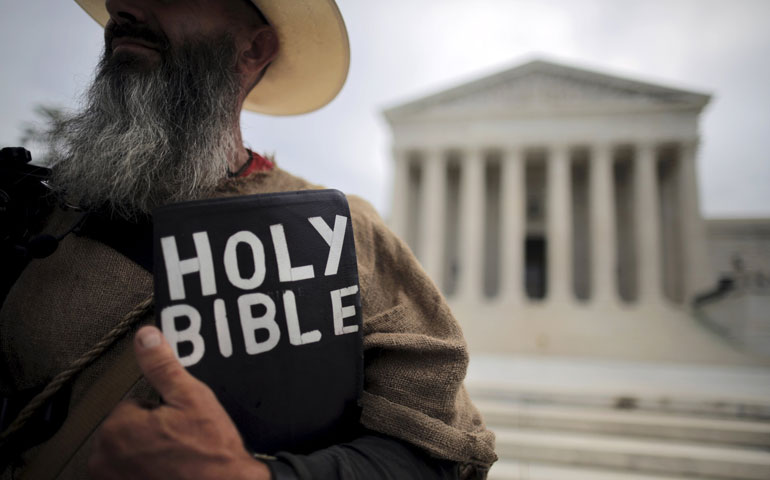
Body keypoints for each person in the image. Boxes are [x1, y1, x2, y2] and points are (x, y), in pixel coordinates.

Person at [0, 1, 497, 479]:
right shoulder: (43, 206)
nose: (123, 10)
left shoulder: (343, 233)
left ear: (254, 49)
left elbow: (438, 454)